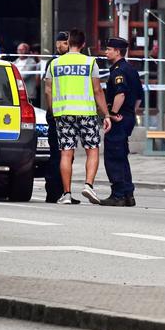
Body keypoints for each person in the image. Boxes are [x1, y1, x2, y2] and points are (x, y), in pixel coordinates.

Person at [44, 29, 111, 205]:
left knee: (66, 153)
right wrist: (106, 114)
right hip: (86, 113)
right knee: (93, 149)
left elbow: (48, 90)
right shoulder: (90, 63)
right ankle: (88, 185)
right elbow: (97, 91)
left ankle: (66, 193)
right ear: (82, 44)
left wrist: (53, 110)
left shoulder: (55, 63)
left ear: (69, 43)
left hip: (63, 113)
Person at [101, 37, 144, 207]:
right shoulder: (131, 70)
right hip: (127, 117)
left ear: (117, 52)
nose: (106, 52)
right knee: (122, 155)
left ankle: (118, 194)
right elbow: (140, 97)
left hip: (118, 118)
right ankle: (128, 194)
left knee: (113, 156)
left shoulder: (118, 71)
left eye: (109, 49)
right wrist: (130, 113)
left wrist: (112, 113)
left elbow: (120, 94)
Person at [42, 32, 70, 203]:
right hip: (58, 115)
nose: (62, 46)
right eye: (61, 42)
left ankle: (64, 192)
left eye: (66, 43)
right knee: (57, 156)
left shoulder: (62, 63)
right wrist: (53, 112)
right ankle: (53, 192)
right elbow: (48, 90)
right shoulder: (53, 63)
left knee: (66, 156)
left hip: (66, 115)